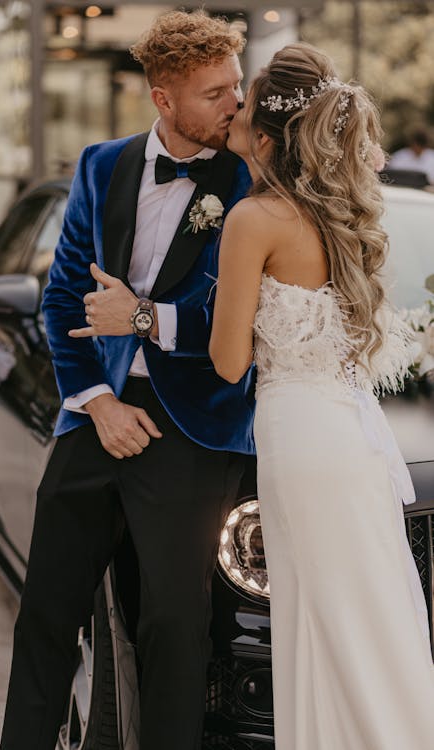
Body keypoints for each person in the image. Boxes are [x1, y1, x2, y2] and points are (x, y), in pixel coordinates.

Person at [0, 11, 255, 750]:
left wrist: (144, 318)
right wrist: (100, 400)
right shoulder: (100, 165)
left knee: (173, 625)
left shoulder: (246, 181)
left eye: (234, 86)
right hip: (99, 413)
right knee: (46, 609)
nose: (233, 104)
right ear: (163, 99)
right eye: (214, 93)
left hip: (197, 421)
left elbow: (243, 328)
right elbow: (59, 300)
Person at [210, 42, 434, 750]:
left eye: (243, 105)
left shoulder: (253, 221)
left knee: (322, 623)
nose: (234, 114)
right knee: (366, 622)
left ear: (269, 133)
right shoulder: (344, 221)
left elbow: (227, 361)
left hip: (299, 441)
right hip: (349, 437)